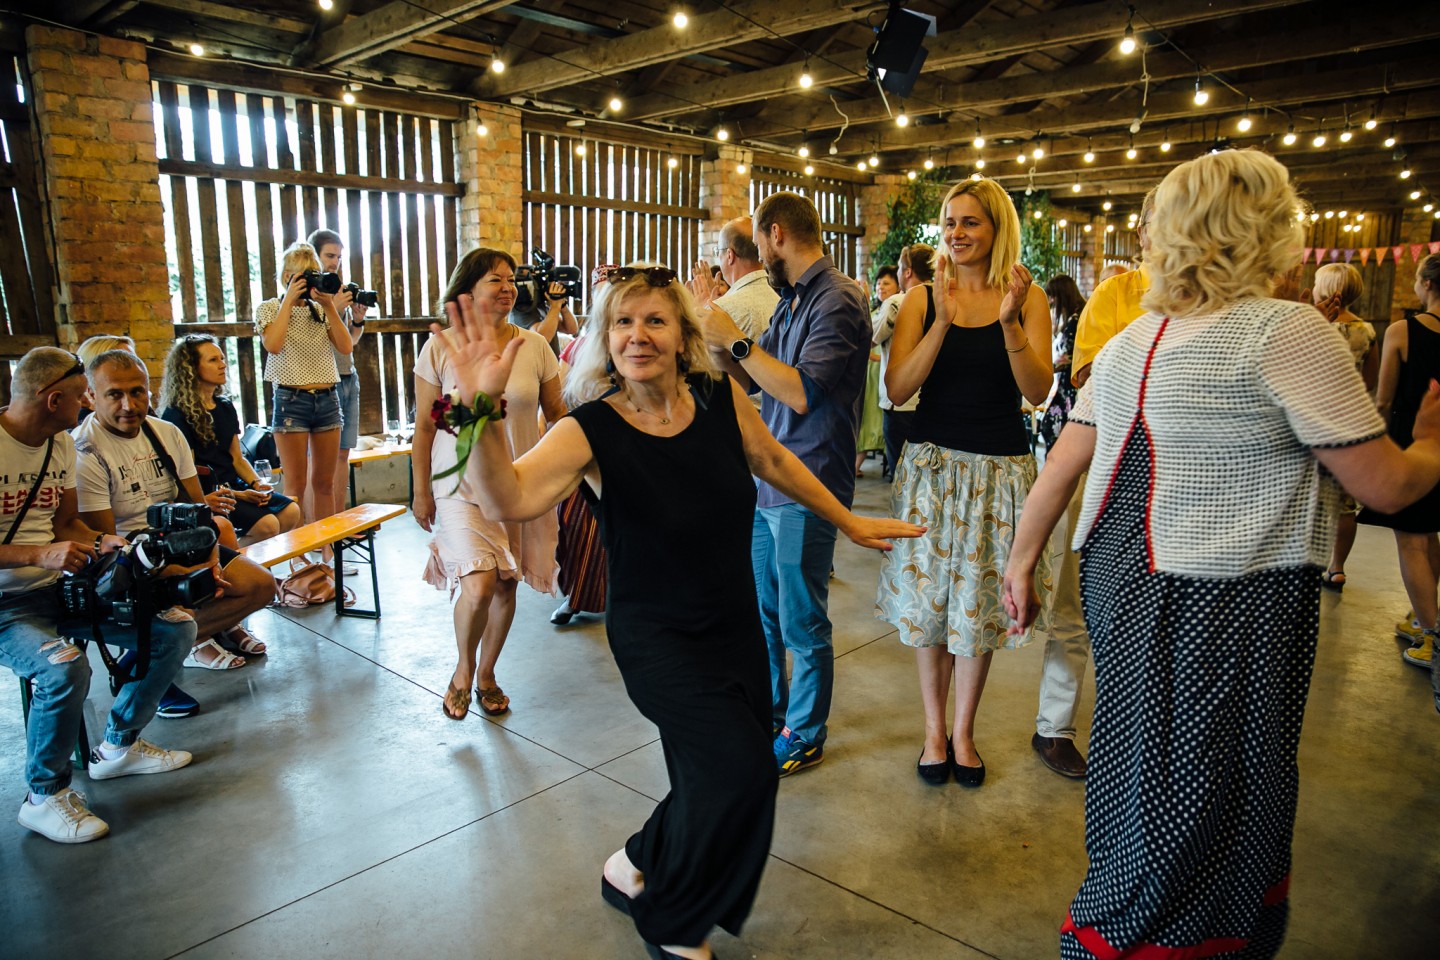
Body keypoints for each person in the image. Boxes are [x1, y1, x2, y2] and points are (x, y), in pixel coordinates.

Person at [1003, 149, 1440, 959]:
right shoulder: (1285, 330)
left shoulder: (1135, 338)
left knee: (1141, 762)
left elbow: (1063, 462)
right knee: (1214, 782)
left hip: (1122, 581)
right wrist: (1433, 445)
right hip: (1222, 594)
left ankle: (1121, 911)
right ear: (1266, 229)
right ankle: (1154, 939)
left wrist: (1021, 563)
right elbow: (1384, 485)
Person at [433, 262, 920, 960]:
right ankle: (672, 919)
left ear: (683, 335)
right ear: (605, 339)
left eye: (655, 320)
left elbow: (774, 461)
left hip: (733, 626)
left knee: (717, 770)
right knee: (739, 769)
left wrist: (848, 520)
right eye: (622, 322)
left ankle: (636, 862)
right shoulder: (590, 430)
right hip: (657, 637)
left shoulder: (719, 397)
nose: (638, 335)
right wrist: (476, 407)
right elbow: (504, 497)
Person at [877, 177, 1054, 787]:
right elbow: (898, 388)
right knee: (930, 606)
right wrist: (942, 322)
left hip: (999, 473)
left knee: (977, 607)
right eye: (950, 222)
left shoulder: (1026, 296)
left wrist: (1008, 325)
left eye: (970, 222)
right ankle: (933, 731)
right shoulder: (922, 299)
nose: (956, 233)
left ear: (997, 228)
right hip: (931, 471)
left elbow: (1037, 391)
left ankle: (963, 732)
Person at [700, 191, 872, 777]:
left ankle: (805, 732)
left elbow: (800, 392)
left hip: (810, 479)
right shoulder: (792, 301)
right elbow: (755, 380)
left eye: (758, 242)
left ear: (776, 234)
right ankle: (771, 714)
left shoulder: (838, 298)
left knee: (801, 617)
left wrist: (736, 338)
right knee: (765, 611)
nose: (755, 254)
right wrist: (715, 340)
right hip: (770, 477)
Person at [1, 347, 196, 844]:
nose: (86, 403)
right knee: (64, 668)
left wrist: (100, 540)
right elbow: (45, 546)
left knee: (174, 628)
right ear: (53, 400)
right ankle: (43, 796)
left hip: (56, 588)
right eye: (80, 396)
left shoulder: (60, 445)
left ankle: (117, 747)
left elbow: (68, 522)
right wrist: (38, 554)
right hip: (6, 606)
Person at [412, 247, 563, 720]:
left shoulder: (534, 346)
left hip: (516, 483)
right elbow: (424, 426)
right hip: (457, 481)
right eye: (495, 279)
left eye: (511, 279)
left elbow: (558, 416)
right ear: (467, 289)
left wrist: (561, 474)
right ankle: (463, 669)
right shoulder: (441, 347)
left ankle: (488, 674)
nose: (508, 287)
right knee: (477, 584)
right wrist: (419, 491)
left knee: (504, 586)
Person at [74, 350, 276, 672]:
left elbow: (198, 511)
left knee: (262, 585)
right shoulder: (85, 450)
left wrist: (209, 560)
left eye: (137, 392)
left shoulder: (166, 433)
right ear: (91, 395)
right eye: (115, 394)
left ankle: (196, 634)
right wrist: (188, 570)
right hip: (132, 560)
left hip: (176, 543)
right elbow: (108, 548)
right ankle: (187, 641)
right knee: (197, 582)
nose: (128, 405)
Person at [1363, 254, 1440, 671]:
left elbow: (1383, 398)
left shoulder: (1402, 331)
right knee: (1429, 534)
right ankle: (1424, 616)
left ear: (1425, 283)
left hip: (1411, 442)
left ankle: (1431, 637)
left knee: (1411, 540)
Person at [158, 334, 302, 548]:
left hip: (233, 485)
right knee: (267, 525)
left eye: (222, 358)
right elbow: (189, 473)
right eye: (213, 360)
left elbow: (237, 459)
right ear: (191, 368)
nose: (222, 365)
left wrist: (258, 484)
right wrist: (240, 495)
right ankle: (230, 558)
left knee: (291, 511)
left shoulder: (224, 406)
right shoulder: (176, 415)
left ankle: (251, 561)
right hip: (208, 493)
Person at [255, 242, 352, 542]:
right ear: (287, 277)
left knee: (324, 483)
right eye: (303, 276)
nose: (310, 282)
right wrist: (288, 301)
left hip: (327, 399)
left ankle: (326, 549)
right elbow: (273, 344)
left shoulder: (319, 310)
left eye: (314, 275)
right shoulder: (269, 308)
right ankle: (296, 557)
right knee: (294, 486)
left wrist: (329, 306)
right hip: (291, 400)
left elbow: (346, 346)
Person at [551, 262, 618, 626]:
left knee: (613, 528)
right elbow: (559, 398)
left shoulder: (626, 343)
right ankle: (575, 595)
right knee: (573, 524)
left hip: (618, 447)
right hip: (581, 444)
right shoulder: (578, 346)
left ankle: (617, 594)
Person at [1310, 263, 1378, 593]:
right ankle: (1337, 568)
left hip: (1310, 422)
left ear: (1323, 288)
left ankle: (1304, 563)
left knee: (1305, 495)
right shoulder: (1367, 331)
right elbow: (1371, 382)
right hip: (1347, 426)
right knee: (1344, 503)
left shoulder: (1312, 325)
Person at [308, 228, 370, 520]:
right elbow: (311, 339)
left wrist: (357, 321)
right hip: (324, 382)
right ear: (315, 255)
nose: (335, 262)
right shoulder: (307, 294)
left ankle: (338, 521)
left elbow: (349, 343)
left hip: (347, 376)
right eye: (329, 255)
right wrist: (332, 307)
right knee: (320, 461)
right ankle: (318, 526)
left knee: (344, 454)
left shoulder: (338, 291)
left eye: (339, 257)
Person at [872, 245, 931, 481]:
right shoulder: (941, 298)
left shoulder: (897, 302)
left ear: (907, 272)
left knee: (903, 477)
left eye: (898, 267)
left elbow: (870, 337)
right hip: (932, 400)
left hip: (901, 402)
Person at [855, 266, 896, 476]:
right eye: (879, 283)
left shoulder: (896, 310)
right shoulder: (874, 312)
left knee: (874, 419)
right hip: (869, 376)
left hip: (883, 376)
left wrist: (876, 358)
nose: (881, 287)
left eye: (886, 283)